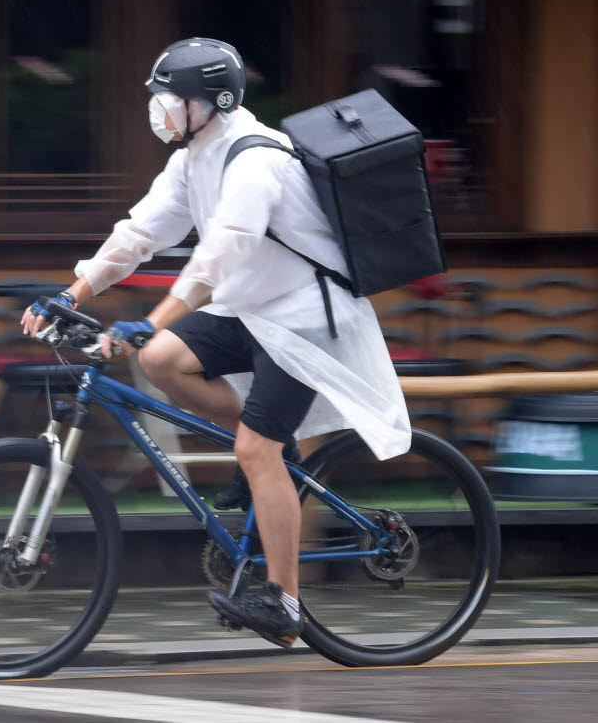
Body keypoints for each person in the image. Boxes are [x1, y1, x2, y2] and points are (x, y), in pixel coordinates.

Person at [22, 37, 411, 649]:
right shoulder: (192, 158)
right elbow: (139, 234)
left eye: (169, 98)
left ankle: (284, 605)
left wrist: (156, 314)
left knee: (254, 448)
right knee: (162, 360)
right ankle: (271, 456)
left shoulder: (257, 160)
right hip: (251, 311)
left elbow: (221, 252)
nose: (159, 109)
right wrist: (72, 294)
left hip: (305, 319)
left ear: (212, 101)